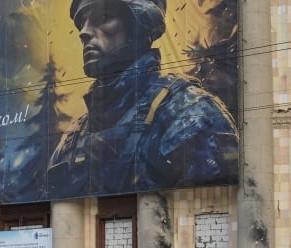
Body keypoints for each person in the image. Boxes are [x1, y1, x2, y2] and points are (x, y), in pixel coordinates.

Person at [47, 0, 239, 198]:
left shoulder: (189, 114)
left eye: (103, 18)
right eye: (81, 23)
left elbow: (213, 206)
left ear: (139, 25)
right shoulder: (74, 136)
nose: (84, 32)